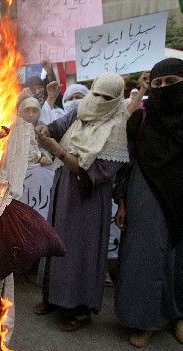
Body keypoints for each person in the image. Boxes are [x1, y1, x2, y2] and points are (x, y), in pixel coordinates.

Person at [114, 58, 183, 348]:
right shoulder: (141, 121)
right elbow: (126, 163)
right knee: (145, 259)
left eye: (171, 82)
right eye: (157, 84)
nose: (164, 88)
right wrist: (122, 202)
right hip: (147, 196)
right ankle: (144, 321)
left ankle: (177, 316)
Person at [35, 72, 130, 332]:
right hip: (63, 188)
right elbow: (59, 126)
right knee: (55, 241)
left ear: (116, 100)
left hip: (87, 198)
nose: (98, 100)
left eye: (106, 97)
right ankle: (52, 298)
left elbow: (94, 172)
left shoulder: (117, 128)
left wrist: (58, 150)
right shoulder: (81, 111)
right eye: (96, 93)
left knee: (80, 250)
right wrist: (46, 129)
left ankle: (79, 309)